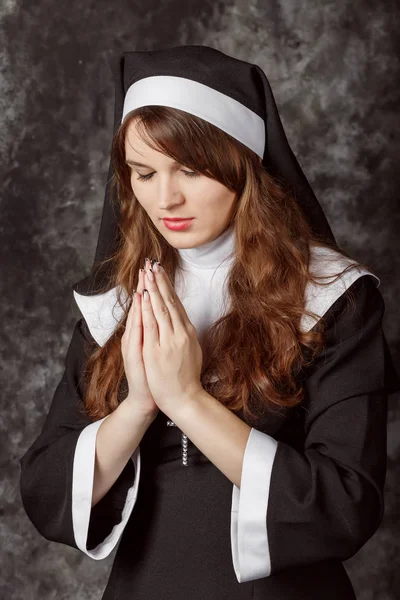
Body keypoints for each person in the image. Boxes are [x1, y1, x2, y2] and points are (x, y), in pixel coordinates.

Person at [19, 46, 400, 600]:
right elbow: (45, 489)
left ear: (242, 166)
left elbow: (346, 505)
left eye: (190, 171)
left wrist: (188, 402)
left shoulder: (333, 297)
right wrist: (140, 405)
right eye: (143, 173)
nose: (165, 197)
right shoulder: (122, 301)